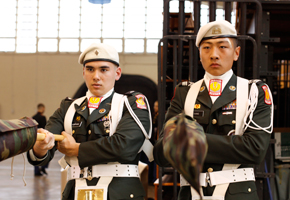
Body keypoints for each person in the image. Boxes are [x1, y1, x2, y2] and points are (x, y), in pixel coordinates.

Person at [153, 20, 273, 200]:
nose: (214, 55)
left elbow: (255, 150)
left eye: (223, 47)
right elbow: (161, 154)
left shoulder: (254, 93)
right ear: (199, 54)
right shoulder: (184, 93)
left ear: (236, 53)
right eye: (206, 48)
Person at [27, 43, 153, 200]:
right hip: (75, 192)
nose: (96, 76)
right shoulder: (69, 108)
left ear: (117, 73)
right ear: (83, 72)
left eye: (104, 69)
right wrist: (41, 147)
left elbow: (125, 146)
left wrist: (77, 149)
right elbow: (42, 151)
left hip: (120, 193)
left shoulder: (131, 103)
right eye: (90, 69)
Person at [32, 103, 49, 176]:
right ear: (42, 108)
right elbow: (45, 128)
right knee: (45, 153)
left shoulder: (33, 117)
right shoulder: (43, 118)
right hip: (42, 139)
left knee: (34, 155)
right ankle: (43, 167)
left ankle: (36, 171)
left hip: (34, 138)